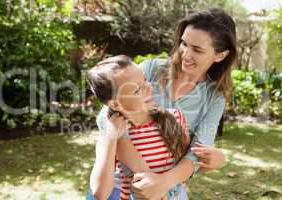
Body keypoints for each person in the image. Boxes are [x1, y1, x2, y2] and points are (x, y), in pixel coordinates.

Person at [95, 7, 238, 199]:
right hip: (117, 187)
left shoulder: (214, 98)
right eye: (184, 43)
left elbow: (197, 154)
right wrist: (141, 169)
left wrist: (163, 183)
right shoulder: (151, 69)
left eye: (197, 49)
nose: (185, 54)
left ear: (220, 55)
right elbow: (108, 116)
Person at [87, 55, 192, 200]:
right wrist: (110, 137)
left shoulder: (175, 118)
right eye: (137, 90)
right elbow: (100, 192)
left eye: (145, 80)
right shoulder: (114, 137)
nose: (149, 87)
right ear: (116, 104)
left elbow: (189, 163)